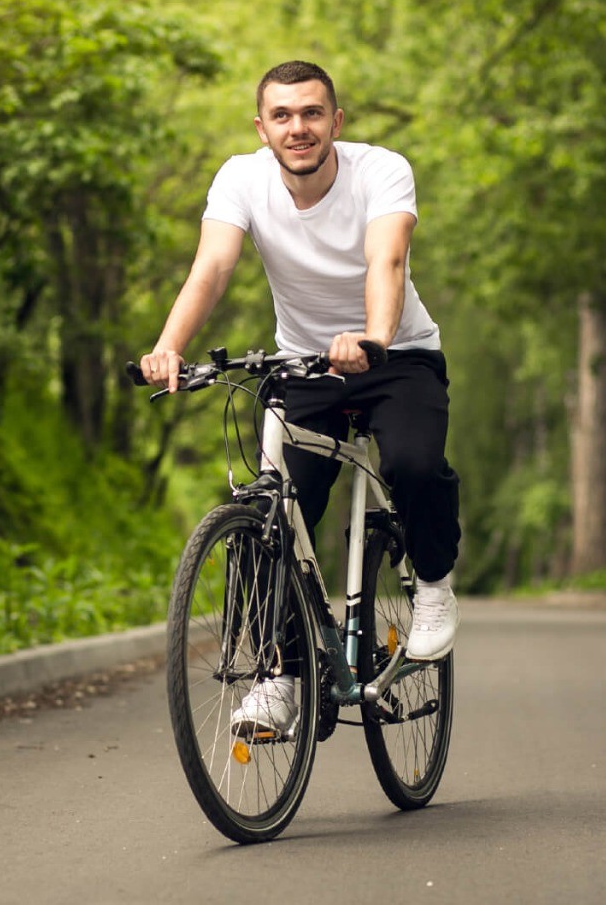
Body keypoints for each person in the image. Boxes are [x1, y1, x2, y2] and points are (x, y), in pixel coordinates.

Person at [138, 60, 461, 738]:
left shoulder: (380, 170)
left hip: (396, 356)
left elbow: (388, 260)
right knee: (271, 520)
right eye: (282, 116)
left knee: (412, 464)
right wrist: (168, 346)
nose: (298, 127)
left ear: (336, 123)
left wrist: (373, 338)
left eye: (312, 113)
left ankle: (431, 585)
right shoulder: (241, 178)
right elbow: (214, 265)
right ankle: (279, 676)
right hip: (304, 364)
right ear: (262, 128)